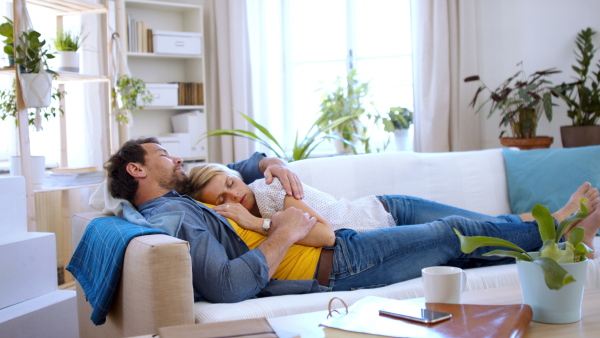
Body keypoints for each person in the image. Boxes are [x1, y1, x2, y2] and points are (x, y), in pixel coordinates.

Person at [105, 137, 600, 304]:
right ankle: (557, 229)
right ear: (138, 168)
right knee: (449, 234)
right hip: (337, 261)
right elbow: (229, 286)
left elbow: (238, 168)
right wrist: (280, 232)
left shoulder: (181, 201)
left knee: (454, 248)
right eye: (164, 154)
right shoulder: (173, 215)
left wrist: (268, 165)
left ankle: (561, 235)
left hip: (336, 249)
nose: (177, 160)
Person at [187, 163, 600, 238]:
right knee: (484, 222)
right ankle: (561, 220)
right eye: (221, 197)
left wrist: (250, 214)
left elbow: (323, 231)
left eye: (228, 182)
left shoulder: (268, 190)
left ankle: (562, 220)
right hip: (387, 223)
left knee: (481, 224)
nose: (232, 194)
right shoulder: (245, 214)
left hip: (388, 212)